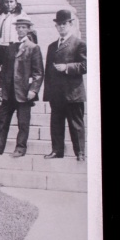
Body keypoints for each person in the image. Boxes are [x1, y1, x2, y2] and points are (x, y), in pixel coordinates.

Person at [0, 18, 44, 157]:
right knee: (2, 121)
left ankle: (20, 148)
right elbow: (4, 71)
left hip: (23, 92)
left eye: (23, 27)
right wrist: (1, 87)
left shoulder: (33, 48)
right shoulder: (10, 48)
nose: (20, 30)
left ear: (28, 29)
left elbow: (38, 72)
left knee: (23, 122)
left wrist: (33, 89)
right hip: (8, 92)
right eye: (19, 27)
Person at [43, 9, 87, 161]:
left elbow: (85, 65)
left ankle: (80, 153)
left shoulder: (79, 44)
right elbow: (47, 72)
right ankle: (57, 150)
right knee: (56, 124)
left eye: (64, 24)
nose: (61, 27)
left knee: (76, 124)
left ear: (70, 24)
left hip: (73, 93)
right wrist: (48, 94)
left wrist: (67, 67)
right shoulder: (52, 46)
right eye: (58, 25)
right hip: (56, 94)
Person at [0, 0, 30, 65]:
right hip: (3, 49)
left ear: (16, 3)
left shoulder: (22, 15)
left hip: (17, 48)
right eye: (7, 2)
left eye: (11, 2)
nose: (9, 4)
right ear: (4, 3)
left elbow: (29, 33)